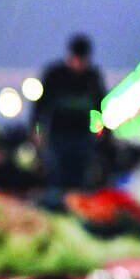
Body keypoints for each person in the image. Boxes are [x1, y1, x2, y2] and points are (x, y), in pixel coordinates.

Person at [33, 33, 106, 206]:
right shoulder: (54, 74)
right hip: (57, 137)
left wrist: (103, 132)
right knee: (56, 178)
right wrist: (36, 130)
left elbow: (100, 106)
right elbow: (40, 106)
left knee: (80, 181)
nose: (79, 65)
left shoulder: (92, 77)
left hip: (82, 138)